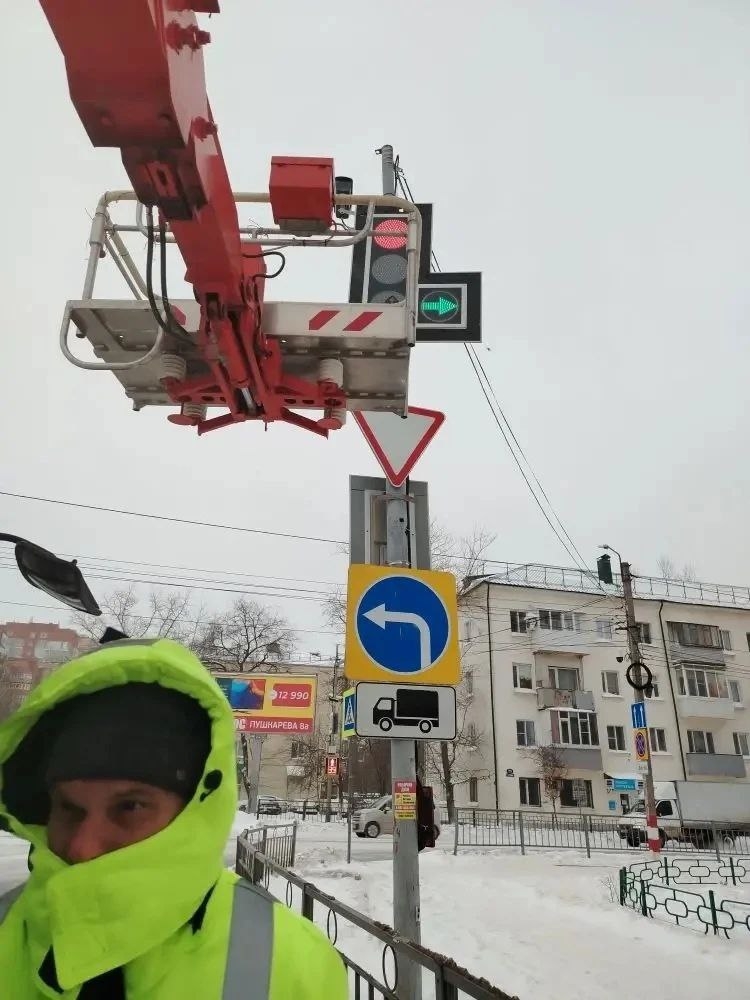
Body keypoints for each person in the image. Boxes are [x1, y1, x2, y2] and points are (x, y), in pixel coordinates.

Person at [0, 636, 348, 999]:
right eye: (69, 809)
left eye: (129, 807)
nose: (82, 847)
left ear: (195, 811)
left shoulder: (296, 964)